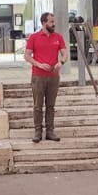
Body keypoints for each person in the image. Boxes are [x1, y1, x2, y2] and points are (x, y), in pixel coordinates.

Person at [25, 12, 66, 142]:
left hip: (54, 76)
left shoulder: (58, 37)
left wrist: (61, 62)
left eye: (54, 22)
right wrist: (39, 64)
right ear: (43, 23)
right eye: (51, 22)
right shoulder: (34, 37)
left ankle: (50, 131)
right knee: (38, 105)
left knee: (51, 105)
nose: (54, 24)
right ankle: (38, 131)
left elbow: (65, 53)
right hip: (38, 76)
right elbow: (27, 56)